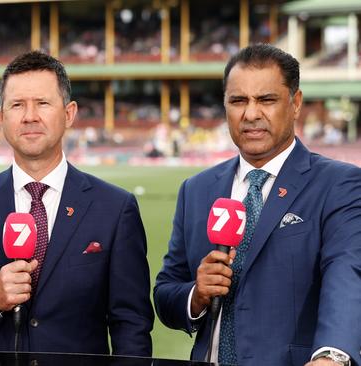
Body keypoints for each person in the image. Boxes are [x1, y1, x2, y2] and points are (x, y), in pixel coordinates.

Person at [0, 51, 154, 356]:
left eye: (42, 103)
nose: (30, 116)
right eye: (17, 105)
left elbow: (131, 323)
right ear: (1, 117)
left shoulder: (115, 208)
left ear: (69, 113)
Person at [154, 44, 361, 366]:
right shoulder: (196, 190)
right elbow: (166, 293)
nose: (251, 114)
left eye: (266, 100)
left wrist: (332, 355)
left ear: (295, 103)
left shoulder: (339, 184)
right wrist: (197, 295)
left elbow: (346, 277)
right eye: (238, 101)